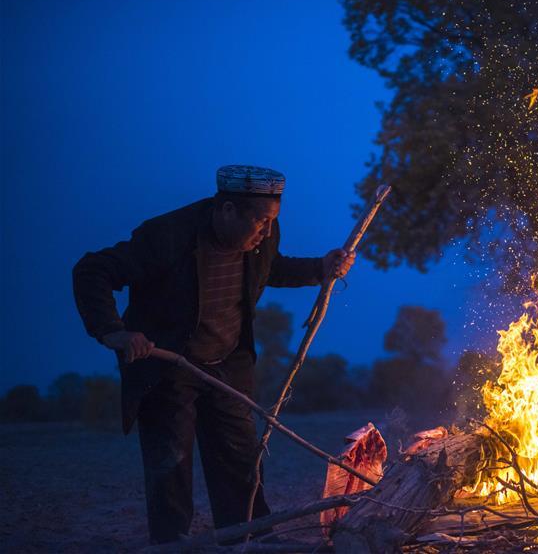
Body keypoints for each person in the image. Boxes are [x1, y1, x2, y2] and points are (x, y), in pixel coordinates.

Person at [72, 165, 354, 544]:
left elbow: (270, 268)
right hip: (167, 366)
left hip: (227, 364)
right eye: (261, 221)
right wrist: (114, 331)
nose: (267, 231)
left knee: (240, 461)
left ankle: (251, 541)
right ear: (227, 210)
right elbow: (93, 270)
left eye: (272, 221)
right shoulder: (166, 236)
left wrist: (320, 268)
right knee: (170, 465)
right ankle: (172, 545)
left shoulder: (261, 236)